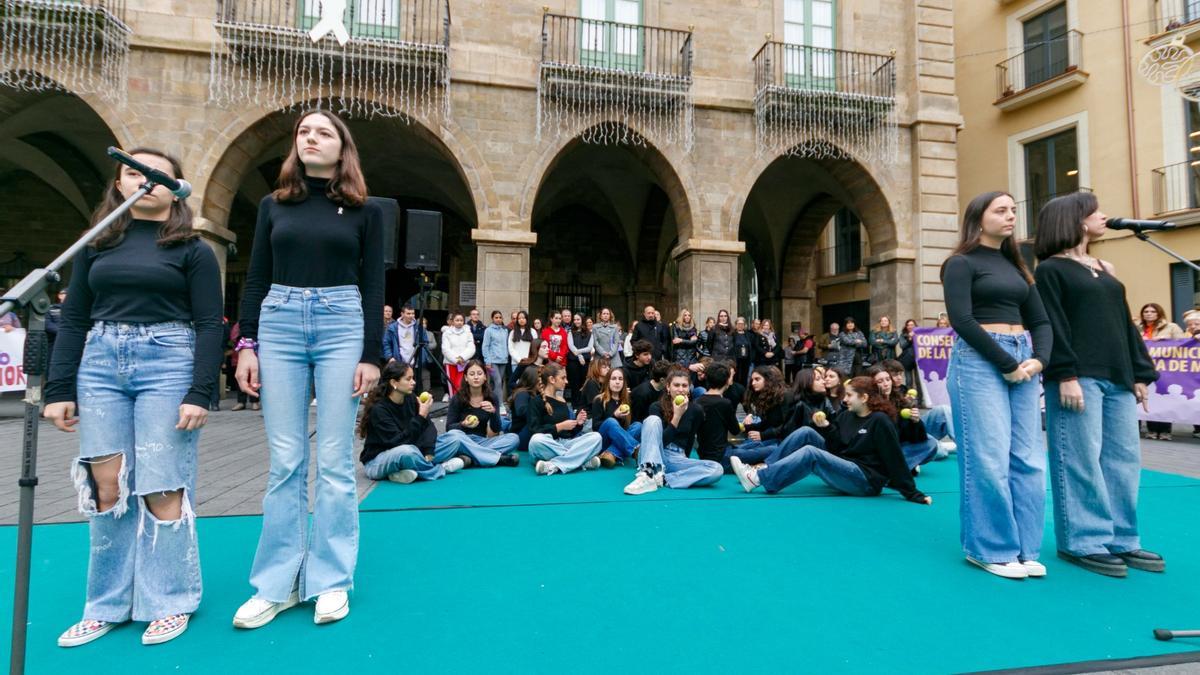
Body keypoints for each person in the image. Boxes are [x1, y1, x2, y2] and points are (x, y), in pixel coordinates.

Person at [44, 147, 222, 647]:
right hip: (100, 362)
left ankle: (169, 599)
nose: (145, 178)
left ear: (177, 186)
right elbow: (75, 317)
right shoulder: (95, 246)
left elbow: (210, 323)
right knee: (106, 485)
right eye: (133, 171)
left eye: (157, 172)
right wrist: (59, 388)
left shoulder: (193, 250)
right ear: (121, 185)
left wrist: (200, 392)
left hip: (168, 358)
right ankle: (107, 603)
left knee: (162, 483)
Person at [233, 110, 384, 627]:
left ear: (343, 150)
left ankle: (331, 578)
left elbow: (372, 287)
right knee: (285, 461)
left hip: (342, 320)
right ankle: (276, 582)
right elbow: (255, 278)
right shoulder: (274, 206)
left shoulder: (366, 211)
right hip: (278, 321)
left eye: (324, 133)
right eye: (303, 132)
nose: (311, 138)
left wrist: (371, 355)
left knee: (337, 461)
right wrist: (246, 345)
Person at [1035, 192, 1164, 578]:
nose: (1103, 215)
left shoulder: (1105, 267)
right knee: (1079, 459)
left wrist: (1140, 372)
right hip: (1080, 377)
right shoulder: (1051, 270)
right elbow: (1052, 325)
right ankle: (1083, 540)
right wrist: (1065, 374)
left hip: (1118, 377)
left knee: (1125, 460)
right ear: (1073, 220)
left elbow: (1124, 324)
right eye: (1095, 212)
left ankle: (1123, 538)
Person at [942, 190, 1051, 580]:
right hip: (980, 361)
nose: (1010, 217)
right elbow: (962, 320)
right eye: (1001, 210)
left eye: (1013, 211)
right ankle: (988, 547)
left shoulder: (1018, 266)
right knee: (988, 458)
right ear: (978, 217)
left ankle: (1025, 548)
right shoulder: (960, 263)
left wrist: (1039, 360)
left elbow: (1040, 320)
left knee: (1029, 460)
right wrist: (1007, 363)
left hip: (1023, 358)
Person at [730, 377, 932, 507]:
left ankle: (758, 478)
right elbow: (838, 447)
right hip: (847, 465)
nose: (845, 400)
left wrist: (912, 492)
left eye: (850, 395)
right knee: (806, 432)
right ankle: (763, 467)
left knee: (811, 453)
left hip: (865, 481)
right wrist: (826, 426)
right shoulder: (846, 416)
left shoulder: (880, 421)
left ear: (864, 397)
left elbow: (894, 457)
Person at [357, 361, 472, 484]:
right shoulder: (379, 409)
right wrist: (421, 416)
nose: (414, 382)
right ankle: (442, 468)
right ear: (394, 383)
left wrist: (429, 450)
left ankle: (405, 472)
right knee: (407, 452)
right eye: (408, 379)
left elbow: (429, 427)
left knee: (454, 437)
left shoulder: (410, 398)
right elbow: (397, 442)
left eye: (413, 378)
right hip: (380, 460)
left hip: (415, 449)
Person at [623, 366, 724, 495]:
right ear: (668, 388)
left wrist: (685, 465)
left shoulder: (696, 410)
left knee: (716, 469)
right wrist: (677, 416)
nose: (680, 389)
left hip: (677, 457)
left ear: (689, 389)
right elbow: (661, 442)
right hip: (655, 452)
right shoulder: (656, 406)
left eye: (684, 386)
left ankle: (663, 479)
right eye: (676, 385)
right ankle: (648, 473)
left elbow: (690, 441)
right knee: (652, 420)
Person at [440, 360, 521, 468]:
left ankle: (472, 459)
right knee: (455, 436)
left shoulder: (492, 397)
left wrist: (493, 413)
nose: (476, 377)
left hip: (482, 442)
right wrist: (463, 424)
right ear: (466, 378)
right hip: (462, 440)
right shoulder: (457, 398)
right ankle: (497, 459)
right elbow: (449, 428)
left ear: (485, 377)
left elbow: (496, 429)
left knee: (514, 438)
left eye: (479, 373)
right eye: (472, 374)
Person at [527, 363, 603, 475]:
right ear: (552, 379)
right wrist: (559, 427)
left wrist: (578, 424)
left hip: (566, 443)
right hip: (548, 445)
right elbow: (534, 430)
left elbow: (569, 434)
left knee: (596, 437)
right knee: (535, 440)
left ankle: (553, 465)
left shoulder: (562, 401)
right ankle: (581, 461)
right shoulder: (536, 402)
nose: (566, 381)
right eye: (563, 378)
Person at [723, 366, 795, 470]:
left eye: (757, 379)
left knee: (745, 451)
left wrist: (763, 435)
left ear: (769, 380)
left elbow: (788, 427)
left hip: (783, 441)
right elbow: (768, 422)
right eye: (752, 380)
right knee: (742, 448)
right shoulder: (767, 396)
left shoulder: (786, 395)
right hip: (772, 437)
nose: (753, 383)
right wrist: (748, 427)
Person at [1139, 303, 1185, 440]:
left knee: (1164, 396)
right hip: (1146, 367)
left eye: (1152, 311)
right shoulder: (1137, 328)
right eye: (1145, 311)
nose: (1148, 313)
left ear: (1159, 313)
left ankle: (1165, 431)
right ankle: (1151, 429)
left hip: (1166, 368)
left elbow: (1183, 342)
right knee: (1150, 396)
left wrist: (1167, 341)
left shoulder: (1172, 327)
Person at [691, 361, 744, 465]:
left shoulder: (697, 402)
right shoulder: (725, 403)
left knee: (754, 446)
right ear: (727, 380)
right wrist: (745, 424)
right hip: (721, 455)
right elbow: (735, 430)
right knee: (767, 449)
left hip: (704, 455)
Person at [591, 366, 639, 466]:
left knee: (638, 425)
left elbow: (628, 427)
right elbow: (595, 427)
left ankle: (611, 453)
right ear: (608, 381)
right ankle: (635, 450)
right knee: (610, 421)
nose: (617, 382)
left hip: (619, 440)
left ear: (624, 382)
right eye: (613, 379)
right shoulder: (599, 400)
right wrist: (615, 416)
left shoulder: (627, 401)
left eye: (620, 379)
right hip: (603, 440)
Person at [440, 312, 476, 398]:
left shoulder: (468, 332)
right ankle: (454, 405)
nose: (459, 322)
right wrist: (456, 359)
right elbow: (445, 349)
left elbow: (471, 347)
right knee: (452, 386)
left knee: (461, 385)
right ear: (452, 321)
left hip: (464, 363)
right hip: (450, 363)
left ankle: (462, 405)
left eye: (461, 320)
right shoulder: (447, 333)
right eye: (457, 320)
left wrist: (462, 358)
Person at [507, 366, 540, 452]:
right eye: (540, 379)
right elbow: (521, 411)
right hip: (520, 434)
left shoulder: (535, 394)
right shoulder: (522, 393)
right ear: (533, 380)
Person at [630, 358, 671, 424]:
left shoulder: (664, 389)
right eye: (670, 378)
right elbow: (635, 419)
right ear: (662, 380)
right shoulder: (642, 394)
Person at [567, 313, 594, 407]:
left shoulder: (590, 333)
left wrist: (579, 353)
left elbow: (590, 347)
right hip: (573, 362)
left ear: (582, 320)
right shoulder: (571, 332)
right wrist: (579, 356)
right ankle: (575, 406)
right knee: (574, 385)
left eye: (578, 319)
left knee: (584, 384)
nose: (576, 321)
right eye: (574, 319)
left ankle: (583, 406)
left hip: (585, 363)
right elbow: (571, 346)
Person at [482, 310, 510, 402]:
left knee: (498, 383)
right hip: (493, 361)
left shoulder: (505, 330)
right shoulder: (488, 330)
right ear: (492, 319)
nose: (498, 319)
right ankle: (500, 404)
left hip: (503, 361)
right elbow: (485, 346)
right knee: (497, 381)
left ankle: (492, 401)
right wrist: (487, 361)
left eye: (500, 317)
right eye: (496, 317)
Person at [507, 310, 535, 389]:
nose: (521, 320)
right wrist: (519, 360)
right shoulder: (513, 332)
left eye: (523, 318)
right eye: (519, 318)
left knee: (528, 385)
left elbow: (535, 348)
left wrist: (528, 360)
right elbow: (511, 348)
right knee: (516, 385)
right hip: (516, 363)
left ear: (527, 319)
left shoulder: (532, 331)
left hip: (529, 363)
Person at [898, 318, 921, 400]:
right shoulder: (903, 335)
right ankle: (909, 400)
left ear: (915, 326)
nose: (910, 326)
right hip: (907, 359)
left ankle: (920, 400)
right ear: (906, 327)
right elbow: (902, 346)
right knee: (909, 381)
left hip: (918, 359)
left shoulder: (920, 333)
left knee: (919, 381)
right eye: (909, 325)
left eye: (912, 325)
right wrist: (909, 339)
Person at [732, 317, 756, 387]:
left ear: (744, 325)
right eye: (739, 323)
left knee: (744, 377)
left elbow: (753, 347)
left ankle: (743, 391)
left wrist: (751, 357)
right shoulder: (733, 334)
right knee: (736, 377)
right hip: (736, 360)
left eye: (742, 324)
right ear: (736, 325)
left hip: (746, 360)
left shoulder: (749, 335)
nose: (740, 325)